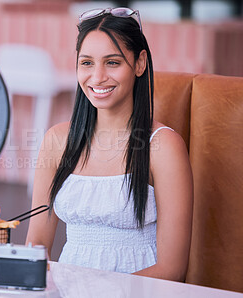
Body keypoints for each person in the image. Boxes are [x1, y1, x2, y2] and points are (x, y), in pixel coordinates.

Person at [25, 7, 193, 282]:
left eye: (112, 62)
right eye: (87, 63)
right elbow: (37, 247)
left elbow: (172, 269)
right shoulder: (57, 141)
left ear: (140, 63)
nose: (97, 77)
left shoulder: (163, 146)